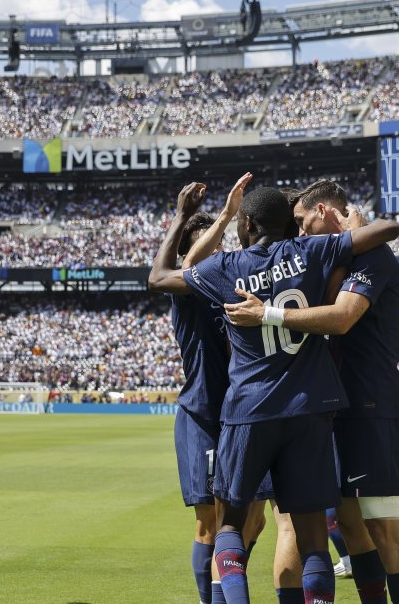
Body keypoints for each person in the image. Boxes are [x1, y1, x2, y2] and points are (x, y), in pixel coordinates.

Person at [148, 180, 399, 604]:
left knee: (231, 525)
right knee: (313, 538)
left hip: (249, 410)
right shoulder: (312, 253)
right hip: (309, 410)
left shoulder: (226, 267)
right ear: (289, 224)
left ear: (247, 223)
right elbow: (389, 229)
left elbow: (159, 278)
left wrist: (187, 217)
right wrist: (346, 225)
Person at [224, 179, 399, 604]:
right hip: (331, 408)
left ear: (323, 212)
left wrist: (268, 314)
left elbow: (342, 318)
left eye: (301, 222)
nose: (297, 233)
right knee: (349, 528)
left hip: (371, 406)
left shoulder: (372, 255)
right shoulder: (320, 260)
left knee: (386, 531)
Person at [166, 175, 272, 604]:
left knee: (255, 521)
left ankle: (224, 588)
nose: (215, 251)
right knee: (212, 525)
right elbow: (188, 263)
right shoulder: (188, 291)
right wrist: (207, 215)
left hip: (245, 413)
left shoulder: (231, 282)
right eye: (206, 244)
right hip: (205, 414)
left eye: (218, 243)